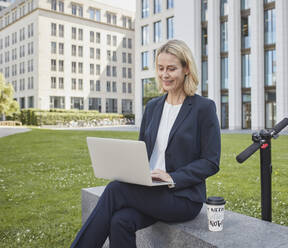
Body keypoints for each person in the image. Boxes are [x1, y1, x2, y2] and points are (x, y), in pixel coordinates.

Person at [70, 39, 221, 248]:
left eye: (171, 68)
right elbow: (142, 150)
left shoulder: (203, 108)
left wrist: (171, 177)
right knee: (120, 221)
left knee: (115, 190)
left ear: (186, 69)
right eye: (160, 68)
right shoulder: (152, 107)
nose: (164, 74)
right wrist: (133, 172)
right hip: (150, 190)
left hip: (183, 198)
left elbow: (211, 161)